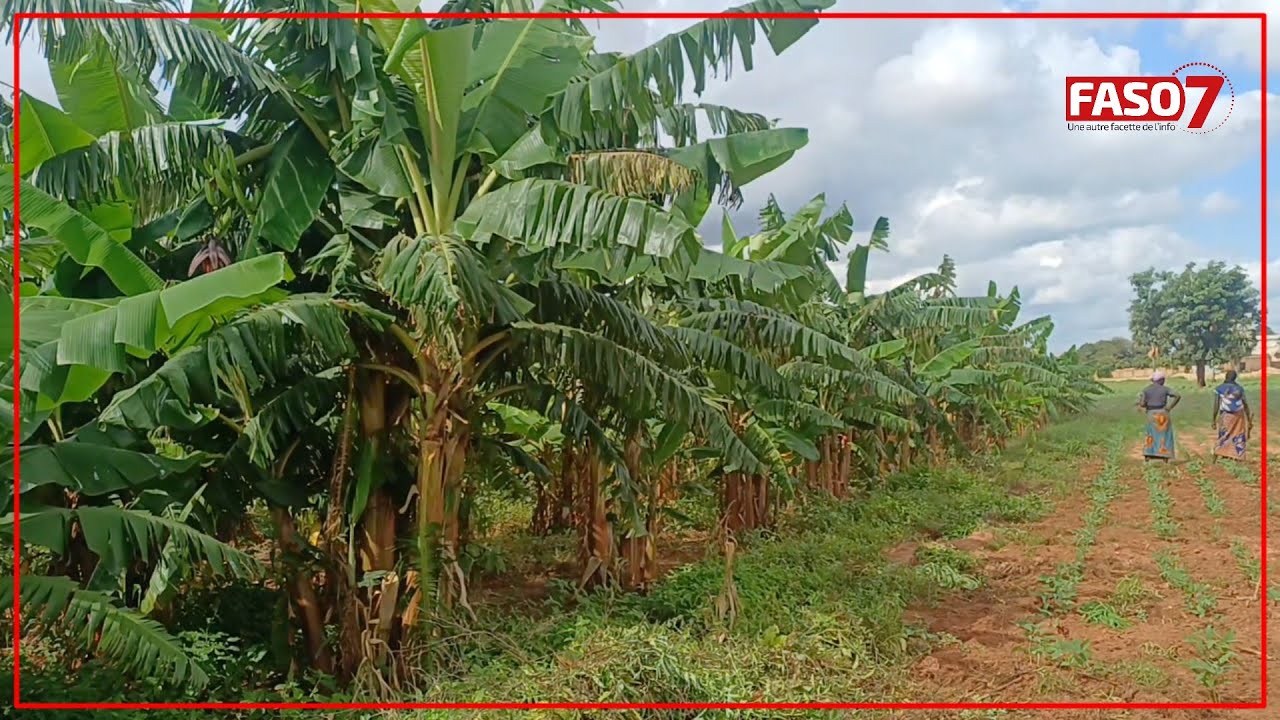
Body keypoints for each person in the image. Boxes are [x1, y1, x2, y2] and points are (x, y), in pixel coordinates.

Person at [1211, 369, 1252, 462]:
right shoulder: (1239, 389)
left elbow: (1216, 405)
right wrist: (1248, 418)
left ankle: (1219, 452)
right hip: (1238, 416)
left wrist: (1213, 419)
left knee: (1224, 435)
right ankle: (1237, 456)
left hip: (1226, 416)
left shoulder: (1220, 388)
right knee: (1238, 435)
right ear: (1235, 378)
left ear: (1226, 377)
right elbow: (1245, 404)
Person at [1138, 371, 1180, 462]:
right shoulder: (1165, 389)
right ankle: (1164, 455)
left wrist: (1146, 404)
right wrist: (1169, 407)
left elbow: (1142, 403)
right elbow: (1177, 395)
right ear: (1161, 380)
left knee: (1151, 433)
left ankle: (1149, 453)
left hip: (1151, 413)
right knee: (1164, 434)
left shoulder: (1146, 390)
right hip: (1162, 412)